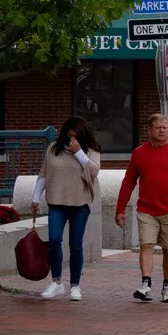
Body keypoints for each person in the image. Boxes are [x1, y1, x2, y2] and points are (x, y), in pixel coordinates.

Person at [114, 113, 168, 304]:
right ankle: (145, 284)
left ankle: (167, 286)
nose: (162, 130)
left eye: (165, 127)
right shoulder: (139, 153)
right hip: (146, 209)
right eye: (158, 127)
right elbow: (128, 182)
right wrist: (120, 209)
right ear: (149, 130)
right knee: (146, 245)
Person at [31, 117, 99, 301]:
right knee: (54, 240)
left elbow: (94, 171)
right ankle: (56, 282)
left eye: (76, 137)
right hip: (56, 202)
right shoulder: (53, 149)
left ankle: (75, 285)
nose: (72, 140)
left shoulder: (91, 152)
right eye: (69, 136)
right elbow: (44, 174)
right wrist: (35, 198)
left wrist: (79, 153)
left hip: (80, 204)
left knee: (75, 245)